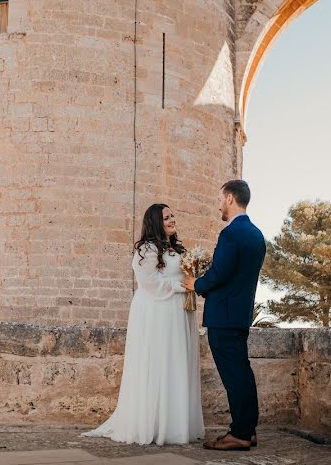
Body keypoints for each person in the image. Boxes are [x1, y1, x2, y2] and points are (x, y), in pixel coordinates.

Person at [83, 204, 204, 445]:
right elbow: (149, 282)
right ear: (155, 223)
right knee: (157, 362)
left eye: (173, 215)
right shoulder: (146, 250)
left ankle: (175, 424)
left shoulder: (177, 248)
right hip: (157, 313)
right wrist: (182, 287)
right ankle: (151, 423)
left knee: (176, 362)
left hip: (178, 314)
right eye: (166, 217)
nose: (172, 220)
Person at [183, 180, 265, 451]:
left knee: (234, 377)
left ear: (230, 198)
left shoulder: (231, 233)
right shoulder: (256, 234)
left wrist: (196, 284)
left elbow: (220, 273)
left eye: (220, 199)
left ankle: (240, 433)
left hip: (224, 318)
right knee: (242, 372)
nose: (218, 204)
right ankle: (247, 429)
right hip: (240, 315)